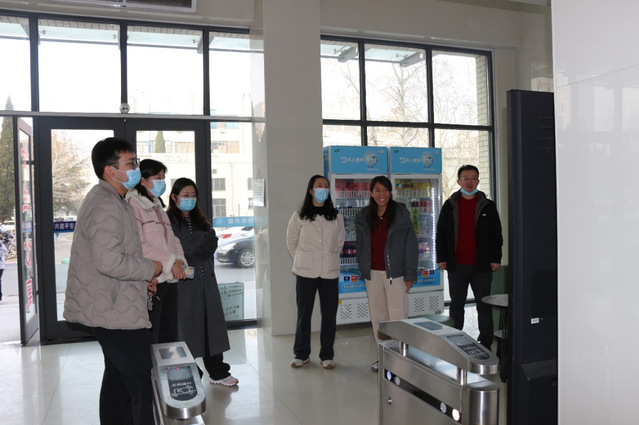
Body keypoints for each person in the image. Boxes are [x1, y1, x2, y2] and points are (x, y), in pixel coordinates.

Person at [63, 137, 163, 425]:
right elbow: (109, 262)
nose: (136, 169)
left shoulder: (113, 200)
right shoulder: (106, 205)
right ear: (110, 170)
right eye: (130, 163)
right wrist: (150, 268)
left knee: (117, 379)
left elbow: (118, 256)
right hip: (113, 311)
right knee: (140, 383)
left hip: (114, 303)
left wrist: (143, 278)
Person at [166, 178, 239, 387]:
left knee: (211, 326)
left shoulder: (201, 218)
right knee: (186, 328)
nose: (190, 199)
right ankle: (190, 372)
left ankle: (218, 372)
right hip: (184, 285)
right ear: (174, 197)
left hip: (206, 281)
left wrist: (193, 245)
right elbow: (179, 246)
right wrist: (198, 243)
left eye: (193, 195)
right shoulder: (168, 220)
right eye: (185, 195)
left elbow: (212, 242)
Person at [435, 164, 503, 351]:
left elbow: (496, 235)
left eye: (473, 178)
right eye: (466, 178)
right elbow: (441, 234)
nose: (470, 182)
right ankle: (455, 340)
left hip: (481, 265)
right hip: (457, 265)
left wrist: (496, 258)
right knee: (456, 305)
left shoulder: (488, 206)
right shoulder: (450, 205)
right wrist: (442, 257)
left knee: (484, 305)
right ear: (459, 181)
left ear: (478, 181)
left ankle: (486, 342)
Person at [355, 175, 418, 372]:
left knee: (397, 316)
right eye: (377, 190)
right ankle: (383, 356)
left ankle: (400, 357)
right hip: (373, 273)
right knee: (378, 318)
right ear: (371, 193)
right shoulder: (364, 215)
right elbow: (360, 245)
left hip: (396, 274)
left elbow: (411, 245)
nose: (381, 194)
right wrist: (363, 266)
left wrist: (410, 274)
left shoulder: (401, 214)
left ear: (391, 192)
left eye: (385, 190)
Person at [286, 175, 345, 369]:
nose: (323, 189)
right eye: (319, 185)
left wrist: (328, 256)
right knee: (304, 315)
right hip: (305, 272)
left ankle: (327, 355)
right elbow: (291, 241)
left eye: (326, 186)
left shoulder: (336, 216)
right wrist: (302, 259)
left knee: (329, 315)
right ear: (311, 190)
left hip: (329, 272)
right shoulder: (300, 215)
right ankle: (301, 354)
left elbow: (340, 241)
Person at [125, 159, 187, 343]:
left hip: (168, 279)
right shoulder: (133, 204)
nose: (162, 182)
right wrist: (171, 263)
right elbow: (139, 244)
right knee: (152, 335)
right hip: (152, 281)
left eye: (163, 177)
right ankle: (151, 364)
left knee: (169, 334)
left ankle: (166, 364)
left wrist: (179, 261)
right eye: (157, 178)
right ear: (143, 180)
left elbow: (172, 238)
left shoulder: (157, 205)